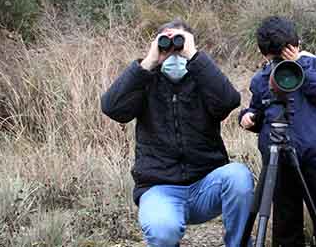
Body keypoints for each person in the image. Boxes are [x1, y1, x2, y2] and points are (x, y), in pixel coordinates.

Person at [101, 19, 254, 247]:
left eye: (180, 45)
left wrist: (194, 57)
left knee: (239, 177)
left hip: (206, 184)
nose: (174, 53)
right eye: (166, 45)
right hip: (159, 187)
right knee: (162, 231)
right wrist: (148, 63)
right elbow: (112, 108)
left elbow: (228, 101)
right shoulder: (146, 82)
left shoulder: (202, 79)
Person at [239, 16, 316, 247]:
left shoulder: (314, 65)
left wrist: (299, 65)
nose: (279, 64)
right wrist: (245, 117)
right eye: (274, 58)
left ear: (295, 46)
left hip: (314, 156)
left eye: (283, 56)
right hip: (277, 158)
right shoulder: (262, 78)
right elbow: (259, 111)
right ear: (265, 55)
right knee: (285, 221)